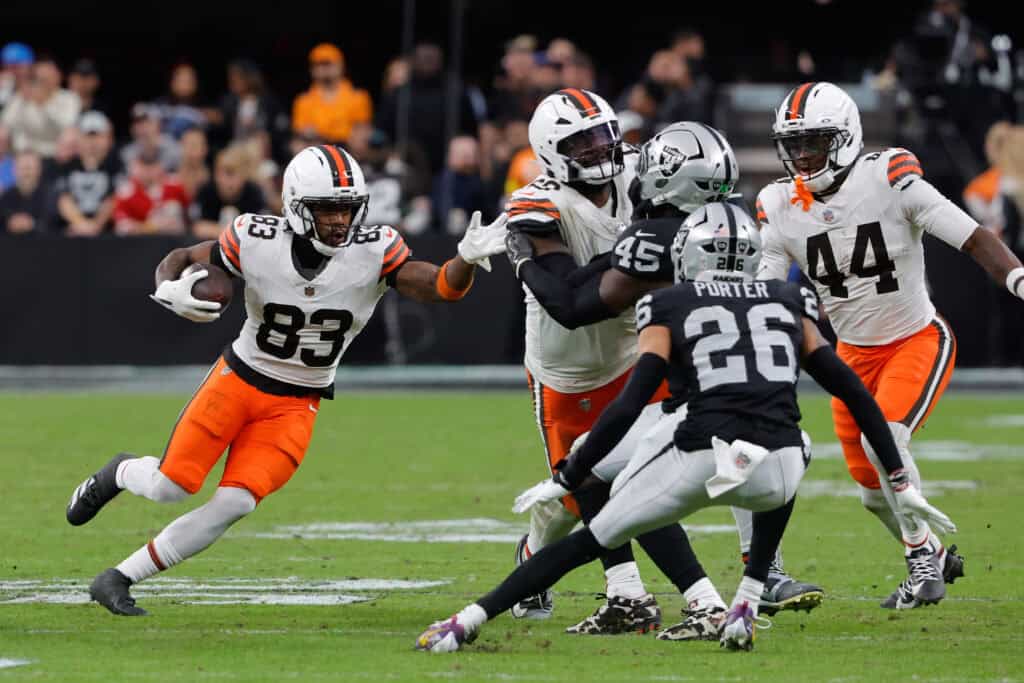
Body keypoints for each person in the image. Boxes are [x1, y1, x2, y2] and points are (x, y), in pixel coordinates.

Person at [416, 203, 956, 652]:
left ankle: (466, 622)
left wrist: (569, 473)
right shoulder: (791, 299)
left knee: (591, 536)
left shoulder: (668, 301)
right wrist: (900, 480)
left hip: (701, 454)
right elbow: (852, 391)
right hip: (780, 472)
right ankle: (748, 595)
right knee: (791, 441)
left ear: (687, 254)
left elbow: (628, 404)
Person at [64, 143, 508, 616]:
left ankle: (119, 577)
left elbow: (441, 287)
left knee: (235, 503)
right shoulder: (255, 239)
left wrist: (465, 261)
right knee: (170, 486)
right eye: (327, 209)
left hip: (298, 402)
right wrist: (167, 286)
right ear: (296, 207)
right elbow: (181, 255)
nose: (340, 221)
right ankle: (120, 471)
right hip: (237, 381)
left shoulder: (374, 250)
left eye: (347, 209)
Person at [503, 122, 822, 636]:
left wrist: (522, 260)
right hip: (762, 396)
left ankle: (679, 598)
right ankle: (758, 575)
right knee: (740, 457)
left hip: (690, 397)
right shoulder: (732, 222)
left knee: (605, 470)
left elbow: (574, 304)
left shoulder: (657, 237)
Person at [756, 81, 1024, 608]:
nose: (804, 155)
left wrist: (1019, 279)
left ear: (848, 136)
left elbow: (971, 236)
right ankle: (932, 552)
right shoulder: (779, 204)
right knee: (868, 490)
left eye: (816, 141)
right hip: (849, 357)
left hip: (914, 340)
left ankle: (922, 568)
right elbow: (768, 291)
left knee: (890, 443)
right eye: (796, 144)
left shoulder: (889, 178)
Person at [498, 89, 722, 636]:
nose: (600, 149)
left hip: (633, 351)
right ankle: (551, 559)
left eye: (604, 134)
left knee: (632, 478)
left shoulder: (643, 179)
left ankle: (641, 596)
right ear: (551, 151)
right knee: (578, 491)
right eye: (582, 141)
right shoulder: (538, 203)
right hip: (564, 368)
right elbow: (567, 304)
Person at [55, 110, 122, 236]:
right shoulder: (67, 166)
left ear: (108, 138)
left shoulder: (116, 165)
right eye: (88, 136)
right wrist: (81, 224)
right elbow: (63, 199)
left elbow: (113, 199)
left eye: (97, 136)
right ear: (79, 138)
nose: (92, 142)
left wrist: (96, 225)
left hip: (108, 234)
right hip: (73, 232)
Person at [291, 43, 372, 145]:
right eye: (318, 64)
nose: (324, 69)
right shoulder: (303, 101)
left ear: (340, 65)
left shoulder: (358, 97)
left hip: (348, 151)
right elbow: (301, 132)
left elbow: (362, 131)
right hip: (317, 149)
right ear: (312, 69)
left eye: (327, 63)